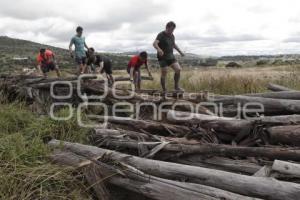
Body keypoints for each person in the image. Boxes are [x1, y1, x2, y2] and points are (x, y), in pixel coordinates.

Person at [153, 21, 185, 93]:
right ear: (166, 28)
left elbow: (173, 45)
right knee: (164, 73)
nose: (171, 31)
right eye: (170, 29)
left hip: (170, 56)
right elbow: (154, 44)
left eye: (173, 30)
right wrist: (159, 49)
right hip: (162, 57)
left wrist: (180, 52)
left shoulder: (172, 36)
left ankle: (176, 87)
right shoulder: (161, 34)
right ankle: (164, 90)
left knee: (178, 69)